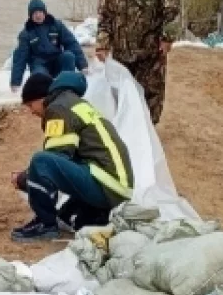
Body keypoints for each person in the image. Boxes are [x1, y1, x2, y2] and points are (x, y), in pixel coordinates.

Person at [10, 71, 134, 242]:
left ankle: (45, 225)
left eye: (30, 105)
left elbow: (53, 158)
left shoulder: (57, 108)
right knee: (65, 212)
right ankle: (93, 211)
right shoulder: (74, 103)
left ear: (41, 99)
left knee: (40, 161)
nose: (31, 112)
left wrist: (24, 178)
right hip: (116, 184)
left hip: (107, 184)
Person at [95, 0, 181, 124]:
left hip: (150, 52)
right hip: (122, 54)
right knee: (122, 97)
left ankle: (148, 139)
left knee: (151, 99)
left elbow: (172, 3)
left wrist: (168, 37)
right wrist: (102, 43)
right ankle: (127, 136)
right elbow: (105, 15)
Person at [10, 0, 88, 92]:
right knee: (39, 75)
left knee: (69, 56)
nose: (38, 15)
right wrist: (15, 82)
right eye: (35, 13)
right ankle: (46, 95)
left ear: (45, 13)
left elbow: (71, 43)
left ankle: (68, 87)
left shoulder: (56, 25)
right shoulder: (26, 33)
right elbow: (20, 59)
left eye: (40, 12)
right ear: (30, 16)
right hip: (39, 65)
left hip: (56, 60)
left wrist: (83, 65)